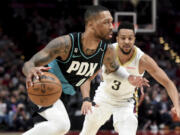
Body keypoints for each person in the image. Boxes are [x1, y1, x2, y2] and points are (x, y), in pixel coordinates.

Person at [22, 6, 148, 135]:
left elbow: (110, 71)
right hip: (44, 88)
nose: (111, 26)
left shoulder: (106, 51)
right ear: (91, 24)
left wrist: (130, 78)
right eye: (106, 22)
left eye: (111, 22)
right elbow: (29, 63)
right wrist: (30, 70)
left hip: (63, 95)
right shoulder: (66, 44)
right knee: (61, 125)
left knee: (54, 129)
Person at [80, 22, 180, 135]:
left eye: (130, 38)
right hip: (104, 96)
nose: (127, 41)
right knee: (87, 132)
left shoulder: (143, 60)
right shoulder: (106, 52)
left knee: (129, 129)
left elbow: (168, 82)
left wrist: (177, 106)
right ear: (117, 39)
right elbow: (86, 78)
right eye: (123, 38)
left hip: (125, 102)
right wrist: (86, 99)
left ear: (134, 39)